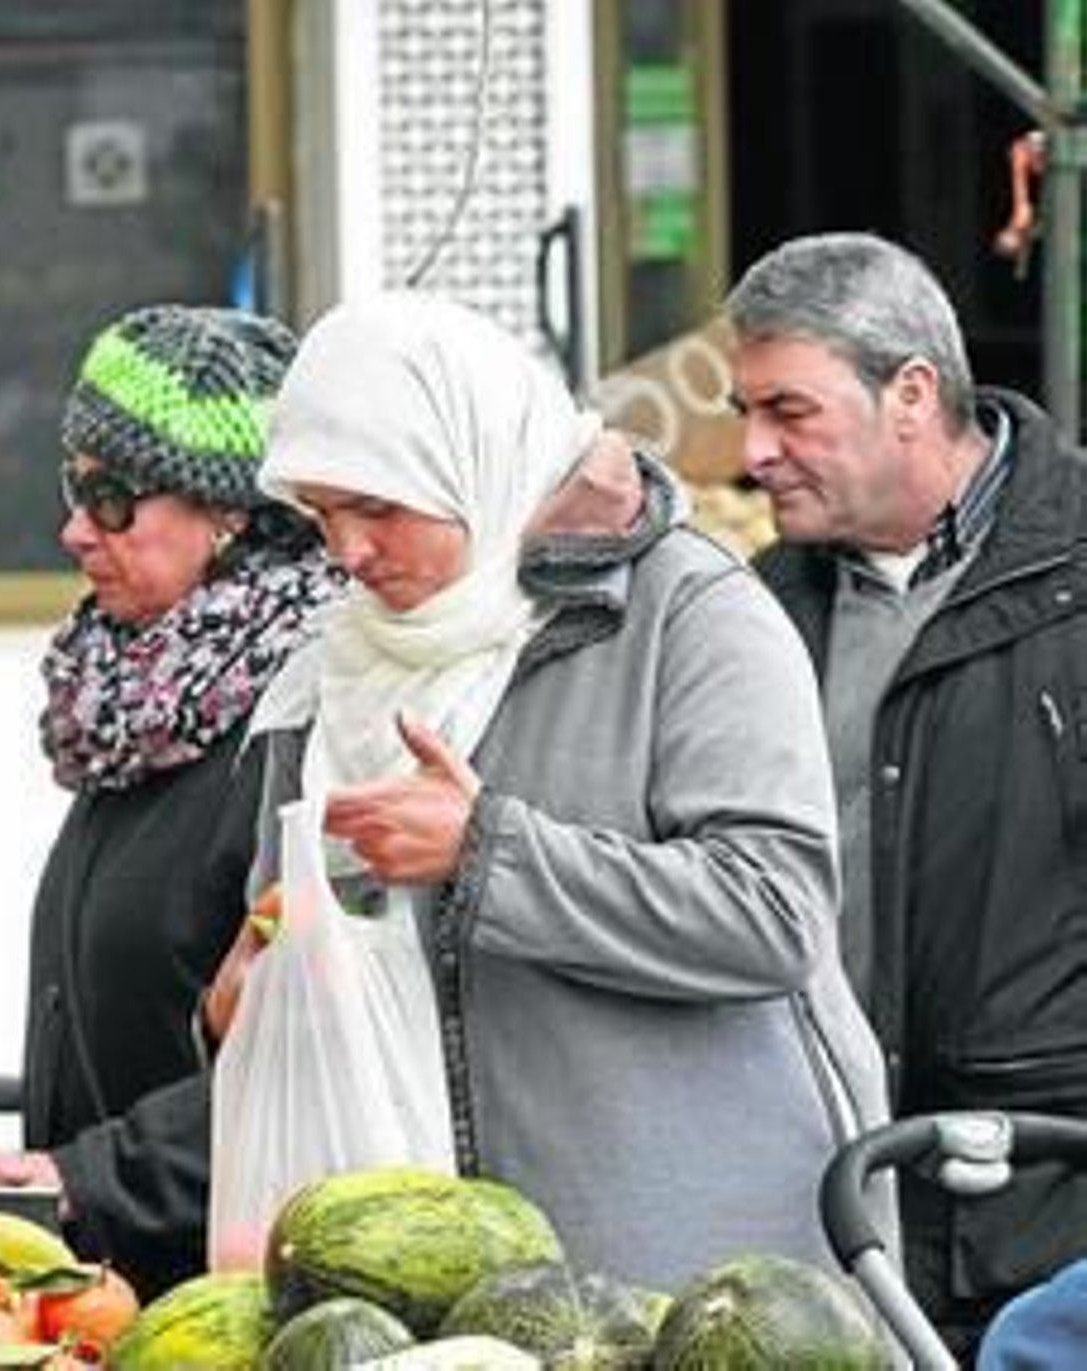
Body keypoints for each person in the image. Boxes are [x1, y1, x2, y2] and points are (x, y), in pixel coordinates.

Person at [206, 291, 892, 1295]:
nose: (349, 552)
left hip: (705, 1282)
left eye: (380, 508)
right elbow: (285, 932)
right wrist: (247, 998)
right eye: (322, 514)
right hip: (434, 1293)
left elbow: (774, 912)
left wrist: (487, 853)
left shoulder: (688, 613)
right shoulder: (334, 672)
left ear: (473, 464)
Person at [725, 230, 1087, 1361]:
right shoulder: (750, 615)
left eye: (789, 411)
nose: (753, 452)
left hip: (1045, 1228)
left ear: (912, 395)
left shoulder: (1075, 583)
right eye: (745, 412)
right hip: (826, 1221)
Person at [0, 304, 341, 1298]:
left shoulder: (305, 720)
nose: (74, 531)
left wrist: (93, 1179)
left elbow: (308, 1057)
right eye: (73, 488)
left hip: (233, 1298)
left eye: (113, 499)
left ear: (233, 517)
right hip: (114, 1284)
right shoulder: (136, 704)